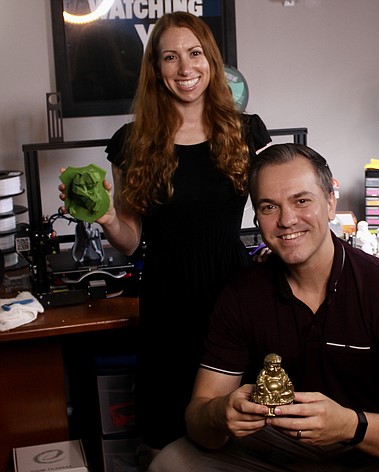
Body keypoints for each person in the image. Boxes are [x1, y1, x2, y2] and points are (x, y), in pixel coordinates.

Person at [148, 143, 379, 471]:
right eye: (269, 207)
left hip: (370, 439)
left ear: (329, 202)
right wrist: (219, 413)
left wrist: (350, 425)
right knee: (171, 463)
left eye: (301, 200)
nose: (286, 220)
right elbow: (199, 417)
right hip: (277, 444)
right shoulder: (240, 294)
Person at [58, 11, 271, 452]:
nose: (185, 69)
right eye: (170, 57)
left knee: (241, 427)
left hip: (233, 290)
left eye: (194, 54)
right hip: (166, 296)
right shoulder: (131, 142)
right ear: (156, 69)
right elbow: (133, 238)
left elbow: (273, 205)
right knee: (170, 437)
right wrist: (108, 220)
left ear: (211, 60)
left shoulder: (246, 131)